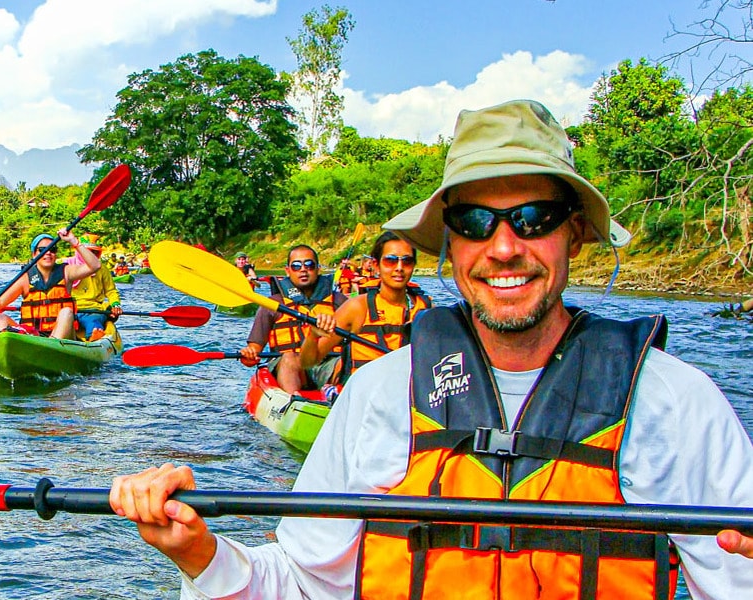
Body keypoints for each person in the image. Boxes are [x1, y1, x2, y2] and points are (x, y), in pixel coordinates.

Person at [109, 99, 753, 597]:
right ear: (450, 244)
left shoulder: (676, 403)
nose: (504, 247)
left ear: (576, 234)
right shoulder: (379, 392)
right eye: (475, 222)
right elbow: (300, 584)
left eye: (534, 218)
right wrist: (199, 552)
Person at [302, 232, 433, 384]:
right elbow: (308, 362)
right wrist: (312, 336)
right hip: (365, 397)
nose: (399, 268)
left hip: (408, 395)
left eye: (407, 261)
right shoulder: (357, 308)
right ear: (376, 265)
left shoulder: (425, 308)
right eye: (390, 261)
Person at [238, 245, 347, 394]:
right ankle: (293, 403)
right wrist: (248, 356)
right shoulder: (272, 305)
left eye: (309, 264)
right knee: (289, 358)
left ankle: (338, 396)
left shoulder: (340, 302)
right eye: (296, 266)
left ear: (318, 269)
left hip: (328, 362)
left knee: (345, 362)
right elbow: (254, 351)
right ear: (287, 270)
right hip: (289, 366)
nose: (303, 269)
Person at [0, 230, 100, 340]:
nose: (48, 253)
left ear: (56, 254)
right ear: (34, 254)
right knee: (0, 317)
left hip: (62, 337)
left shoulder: (66, 272)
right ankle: (5, 350)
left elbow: (95, 266)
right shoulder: (24, 278)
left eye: (52, 249)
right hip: (33, 336)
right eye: (42, 250)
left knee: (67, 312)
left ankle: (51, 347)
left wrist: (74, 241)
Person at [65, 236, 122, 341]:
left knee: (92, 321)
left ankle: (94, 337)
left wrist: (115, 304)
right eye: (89, 252)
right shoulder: (66, 266)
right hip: (69, 309)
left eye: (95, 252)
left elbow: (111, 291)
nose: (92, 256)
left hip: (94, 309)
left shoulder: (102, 269)